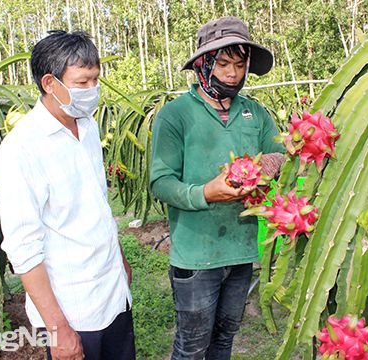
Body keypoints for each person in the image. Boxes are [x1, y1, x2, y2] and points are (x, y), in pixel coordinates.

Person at [0, 31, 135, 360]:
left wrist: (121, 259)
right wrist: (58, 329)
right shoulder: (21, 152)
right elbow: (24, 249)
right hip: (73, 312)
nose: (92, 91)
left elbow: (97, 202)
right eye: (82, 82)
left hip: (113, 294)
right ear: (50, 83)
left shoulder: (87, 127)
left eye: (96, 80)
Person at [150, 16, 284, 360]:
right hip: (196, 256)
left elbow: (281, 151)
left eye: (240, 65)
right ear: (202, 64)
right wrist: (205, 193)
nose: (232, 74)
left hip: (240, 252)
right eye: (223, 63)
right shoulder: (175, 115)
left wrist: (272, 162)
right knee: (192, 347)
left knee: (225, 341)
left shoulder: (255, 113)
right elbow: (161, 182)